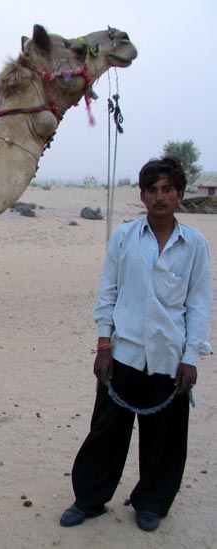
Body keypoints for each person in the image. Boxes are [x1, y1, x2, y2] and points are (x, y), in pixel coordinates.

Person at [59, 156, 212, 532]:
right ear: (142, 196)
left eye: (167, 190)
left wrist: (190, 358)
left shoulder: (195, 245)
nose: (159, 197)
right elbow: (108, 292)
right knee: (106, 433)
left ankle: (152, 503)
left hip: (169, 358)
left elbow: (199, 304)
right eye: (152, 190)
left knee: (165, 438)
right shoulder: (124, 238)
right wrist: (103, 346)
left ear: (179, 194)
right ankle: (89, 499)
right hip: (123, 354)